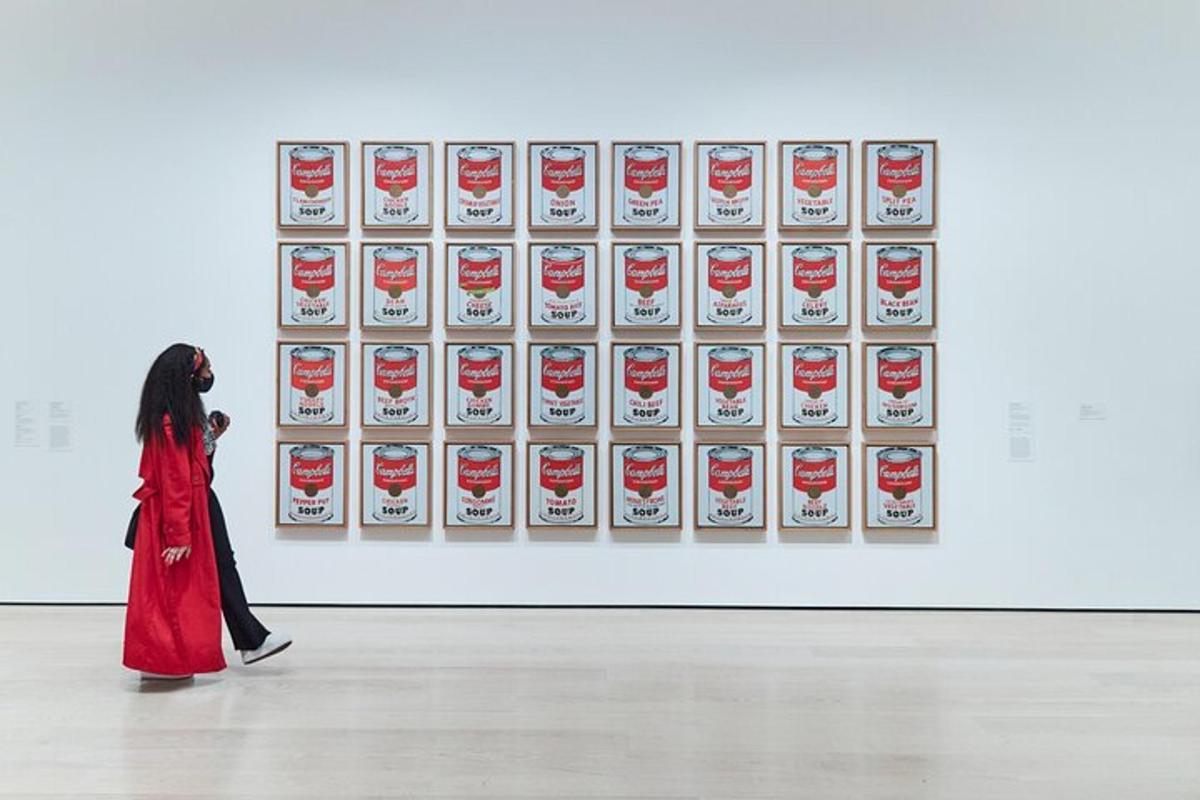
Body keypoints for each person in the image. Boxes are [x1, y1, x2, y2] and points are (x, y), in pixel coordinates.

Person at [124, 344, 291, 680]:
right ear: (187, 377)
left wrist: (211, 436)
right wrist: (179, 534)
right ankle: (227, 646)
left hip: (197, 503)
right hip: (188, 508)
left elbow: (192, 466)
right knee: (188, 580)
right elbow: (175, 480)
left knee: (218, 568)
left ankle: (249, 640)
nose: (208, 378)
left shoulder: (176, 418)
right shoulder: (170, 422)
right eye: (204, 372)